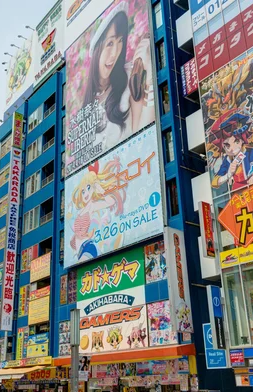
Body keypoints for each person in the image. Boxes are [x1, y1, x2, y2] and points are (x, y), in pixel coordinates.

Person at [81, 2, 155, 148]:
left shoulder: (129, 76)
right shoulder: (87, 106)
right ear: (97, 51)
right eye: (109, 44)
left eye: (120, 41)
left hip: (137, 166)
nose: (115, 53)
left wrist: (150, 78)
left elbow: (143, 134)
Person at [70, 159, 126, 262]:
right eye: (83, 191)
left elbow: (111, 202)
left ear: (93, 188)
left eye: (88, 188)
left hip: (89, 247)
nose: (86, 193)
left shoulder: (92, 206)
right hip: (80, 250)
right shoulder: (80, 211)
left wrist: (100, 189)